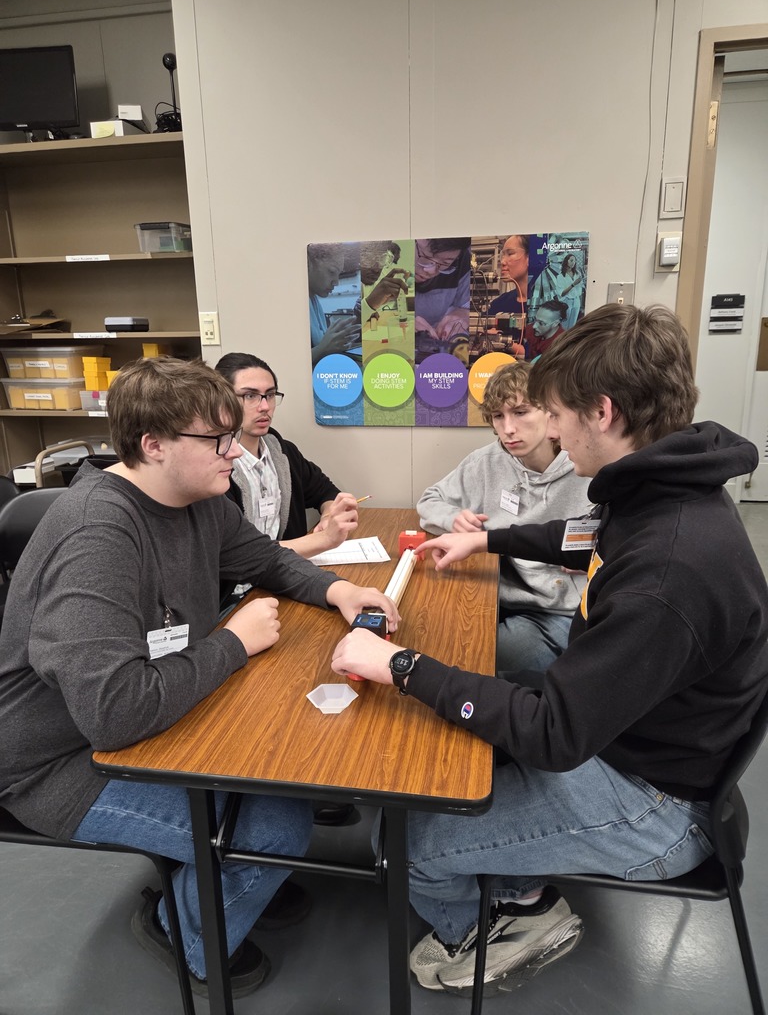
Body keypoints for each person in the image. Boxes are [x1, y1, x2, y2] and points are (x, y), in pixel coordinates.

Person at [330, 303, 768, 998]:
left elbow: (555, 733)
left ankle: (494, 929)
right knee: (440, 771)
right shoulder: (665, 491)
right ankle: (523, 888)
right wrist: (489, 540)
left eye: (556, 413)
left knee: (404, 845)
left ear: (601, 412)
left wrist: (400, 667)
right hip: (633, 739)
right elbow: (587, 537)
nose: (551, 429)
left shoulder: (668, 572)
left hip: (653, 801)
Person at [0, 356, 399, 998]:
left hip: (152, 709)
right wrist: (232, 645)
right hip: (59, 761)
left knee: (284, 779)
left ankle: (218, 878)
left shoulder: (198, 499)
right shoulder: (97, 536)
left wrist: (339, 592)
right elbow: (116, 713)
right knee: (275, 829)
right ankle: (183, 933)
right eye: (217, 440)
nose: (235, 452)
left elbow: (265, 559)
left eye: (232, 436)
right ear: (152, 444)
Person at [416, 361, 590, 679]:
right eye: (498, 416)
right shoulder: (487, 462)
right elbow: (429, 501)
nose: (508, 429)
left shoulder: (587, 464)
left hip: (563, 611)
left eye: (521, 412)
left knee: (470, 658)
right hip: (500, 598)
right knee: (440, 637)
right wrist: (454, 517)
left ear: (551, 414)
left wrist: (598, 556)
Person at [215, 352, 357, 560]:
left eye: (270, 395)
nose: (264, 406)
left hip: (286, 576)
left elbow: (326, 492)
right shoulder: (214, 466)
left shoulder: (282, 452)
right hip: (238, 588)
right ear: (222, 399)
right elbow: (235, 553)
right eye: (250, 396)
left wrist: (328, 516)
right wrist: (324, 539)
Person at [413, 237, 471, 359]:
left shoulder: (463, 260)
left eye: (445, 264)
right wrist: (397, 323)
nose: (430, 270)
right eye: (424, 257)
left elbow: (467, 306)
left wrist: (463, 315)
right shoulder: (384, 254)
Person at [307, 242, 361, 366]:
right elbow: (290, 362)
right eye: (332, 272)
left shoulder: (314, 302)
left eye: (338, 274)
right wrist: (324, 348)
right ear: (309, 264)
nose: (336, 282)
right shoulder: (291, 306)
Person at [557, 252, 584, 329]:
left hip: (576, 300)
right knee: (564, 325)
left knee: (573, 325)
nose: (573, 263)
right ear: (566, 261)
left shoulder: (577, 273)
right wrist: (573, 284)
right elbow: (562, 293)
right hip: (566, 301)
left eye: (574, 261)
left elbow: (580, 288)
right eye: (571, 260)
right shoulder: (560, 276)